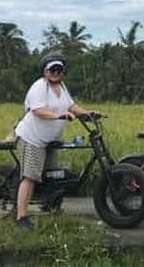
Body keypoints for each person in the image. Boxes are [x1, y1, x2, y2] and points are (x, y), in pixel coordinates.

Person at [14, 51, 92, 230]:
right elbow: (37, 110)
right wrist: (59, 115)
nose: (56, 73)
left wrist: (88, 113)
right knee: (30, 176)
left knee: (51, 176)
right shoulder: (40, 87)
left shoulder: (62, 88)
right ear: (45, 71)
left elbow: (71, 106)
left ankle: (48, 205)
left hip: (49, 140)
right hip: (32, 138)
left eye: (59, 69)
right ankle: (21, 217)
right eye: (52, 69)